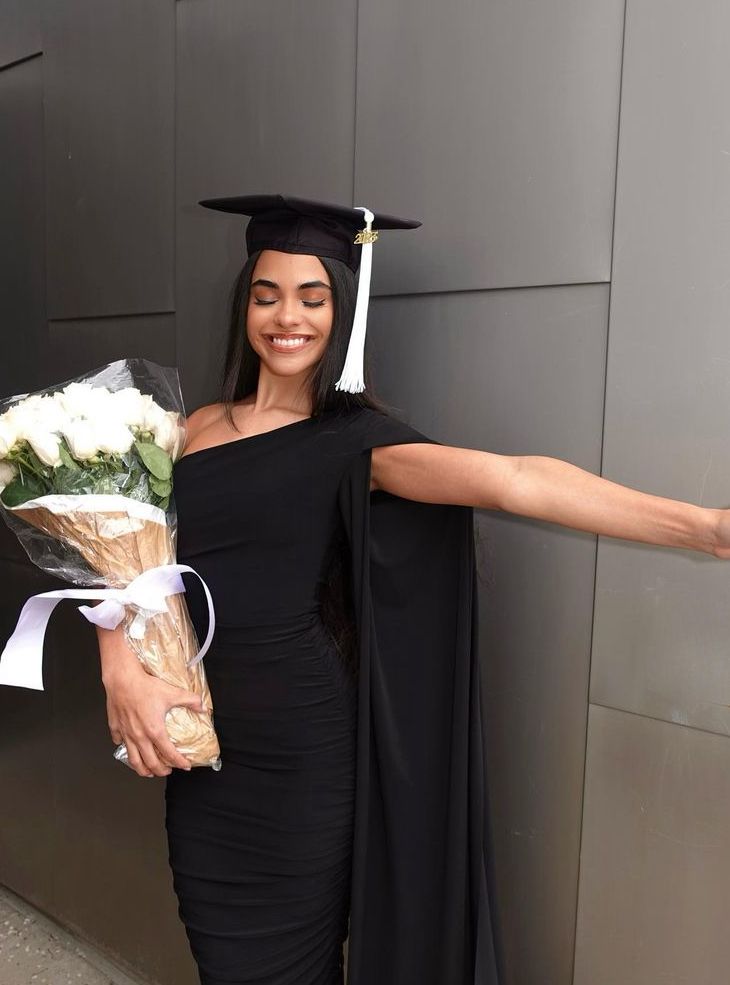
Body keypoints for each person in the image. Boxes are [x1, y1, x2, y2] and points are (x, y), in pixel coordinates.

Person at [95, 196, 730, 985]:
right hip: (204, 757)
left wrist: (706, 527)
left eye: (312, 297)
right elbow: (120, 560)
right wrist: (118, 663)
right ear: (245, 306)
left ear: (343, 311)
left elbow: (517, 480)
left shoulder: (357, 444)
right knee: (224, 963)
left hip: (303, 760)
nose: (286, 317)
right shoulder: (188, 431)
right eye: (267, 295)